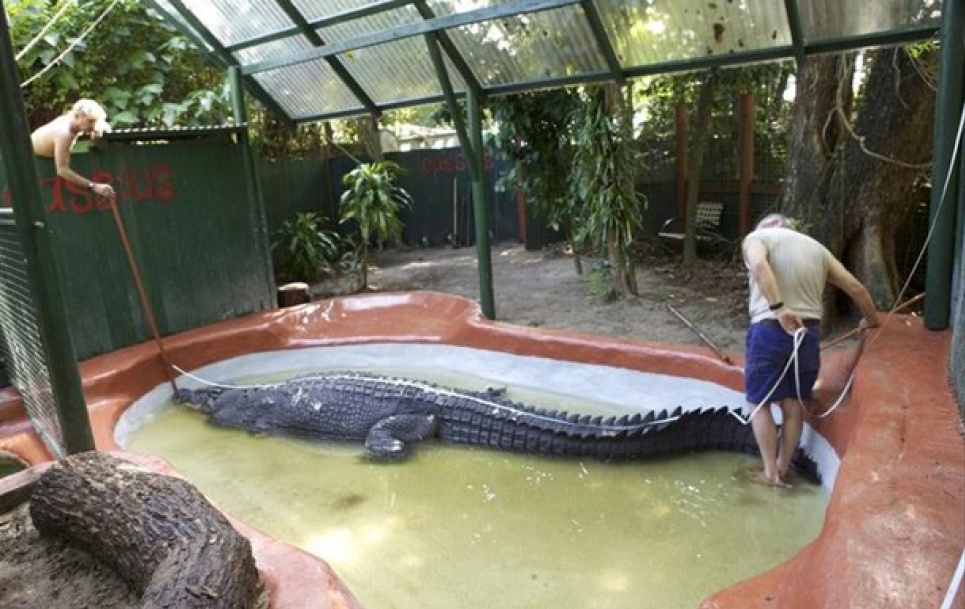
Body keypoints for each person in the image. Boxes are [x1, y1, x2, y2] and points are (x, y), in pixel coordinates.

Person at [742, 213, 880, 487]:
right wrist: (872, 322)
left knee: (759, 403)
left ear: (765, 226)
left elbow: (758, 266)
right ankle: (784, 467)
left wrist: (779, 309)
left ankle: (769, 472)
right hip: (807, 334)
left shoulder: (757, 239)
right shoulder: (817, 249)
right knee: (793, 403)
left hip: (770, 328)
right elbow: (856, 287)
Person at [30, 99, 115, 201]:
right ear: (77, 116)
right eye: (90, 121)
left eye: (94, 121)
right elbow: (62, 170)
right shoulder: (64, 133)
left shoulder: (73, 121)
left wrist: (97, 129)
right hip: (32, 162)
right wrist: (93, 186)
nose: (93, 125)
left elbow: (102, 126)